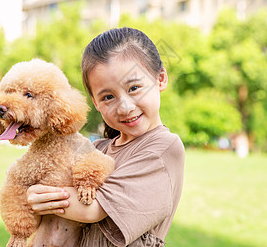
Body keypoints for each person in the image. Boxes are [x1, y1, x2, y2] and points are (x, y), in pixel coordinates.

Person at [27, 27, 185, 246]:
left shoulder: (163, 148)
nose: (125, 107)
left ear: (160, 78)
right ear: (95, 103)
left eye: (134, 87)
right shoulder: (97, 150)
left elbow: (92, 208)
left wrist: (37, 195)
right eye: (108, 96)